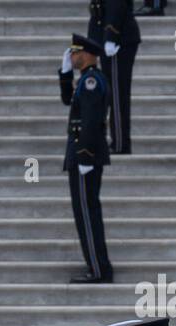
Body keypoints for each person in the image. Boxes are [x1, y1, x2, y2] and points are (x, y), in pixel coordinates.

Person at [60, 34, 113, 284]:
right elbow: (67, 101)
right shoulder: (86, 80)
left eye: (75, 52)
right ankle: (97, 266)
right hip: (85, 154)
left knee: (87, 213)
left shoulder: (91, 80)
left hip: (86, 156)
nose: (72, 56)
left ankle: (99, 269)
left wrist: (84, 155)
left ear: (88, 54)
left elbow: (91, 121)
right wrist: (65, 75)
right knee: (85, 213)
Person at [87, 0, 139, 154]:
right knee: (113, 93)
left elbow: (117, 3)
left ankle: (120, 144)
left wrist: (111, 34)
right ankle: (118, 141)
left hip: (118, 39)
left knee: (117, 95)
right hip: (106, 34)